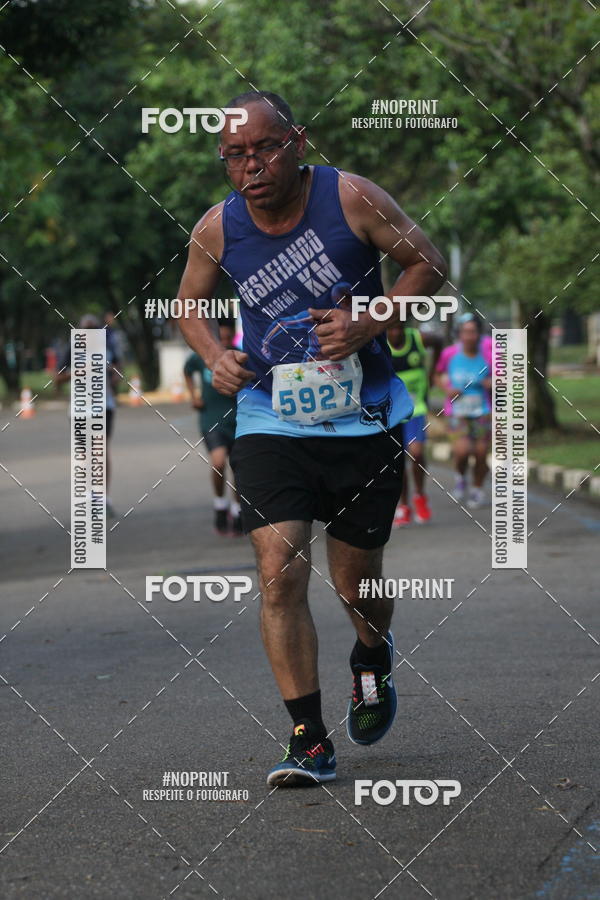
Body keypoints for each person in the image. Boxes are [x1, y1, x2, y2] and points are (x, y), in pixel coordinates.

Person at [177, 91, 447, 786]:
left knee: (355, 583)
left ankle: (371, 651)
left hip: (367, 419)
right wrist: (213, 355)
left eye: (264, 148)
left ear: (297, 140)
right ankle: (308, 738)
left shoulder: (351, 197)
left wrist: (373, 317)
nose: (251, 166)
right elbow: (188, 305)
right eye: (234, 155)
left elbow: (429, 261)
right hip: (271, 420)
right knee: (279, 571)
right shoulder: (218, 227)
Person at [55, 314, 120, 517]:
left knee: (100, 451)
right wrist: (79, 372)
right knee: (84, 455)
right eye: (86, 330)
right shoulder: (72, 349)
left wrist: (112, 374)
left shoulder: (107, 348)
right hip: (79, 410)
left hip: (104, 406)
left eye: (94, 330)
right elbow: (57, 378)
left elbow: (118, 371)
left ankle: (103, 499)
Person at [183, 320, 242, 536]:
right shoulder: (204, 356)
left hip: (238, 419)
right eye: (221, 339)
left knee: (238, 467)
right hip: (211, 418)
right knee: (218, 462)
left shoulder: (241, 356)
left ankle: (237, 510)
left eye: (229, 339)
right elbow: (187, 370)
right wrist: (194, 395)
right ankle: (220, 504)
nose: (225, 344)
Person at [387, 320, 443, 526]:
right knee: (398, 460)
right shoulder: (380, 341)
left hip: (416, 407)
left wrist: (432, 371)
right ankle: (403, 505)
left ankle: (420, 496)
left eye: (399, 327)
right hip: (392, 411)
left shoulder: (417, 339)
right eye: (391, 328)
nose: (396, 332)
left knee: (416, 453)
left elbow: (439, 341)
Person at [434, 313, 492, 508]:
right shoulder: (450, 354)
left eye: (473, 332)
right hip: (457, 411)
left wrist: (491, 383)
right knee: (462, 451)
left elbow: (505, 376)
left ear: (479, 334)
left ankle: (477, 489)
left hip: (482, 410)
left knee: (482, 453)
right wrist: (447, 389)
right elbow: (437, 374)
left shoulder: (488, 353)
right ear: (459, 334)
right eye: (465, 332)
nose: (469, 336)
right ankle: (460, 477)